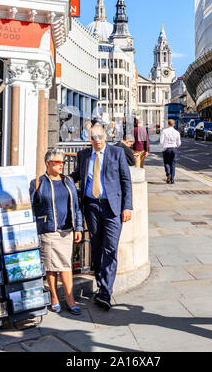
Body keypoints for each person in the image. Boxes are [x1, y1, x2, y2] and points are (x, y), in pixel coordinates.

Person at [70, 124, 133, 310]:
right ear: (89, 139)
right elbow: (76, 175)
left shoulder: (117, 153)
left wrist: (127, 207)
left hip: (112, 208)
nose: (97, 140)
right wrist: (56, 178)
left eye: (100, 136)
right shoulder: (83, 155)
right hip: (91, 206)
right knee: (96, 248)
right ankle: (101, 285)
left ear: (106, 136)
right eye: (93, 137)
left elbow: (126, 181)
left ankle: (106, 292)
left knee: (110, 249)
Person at [29, 148, 83, 315]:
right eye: (58, 162)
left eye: (63, 162)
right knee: (51, 267)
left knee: (66, 266)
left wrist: (78, 227)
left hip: (66, 231)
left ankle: (69, 298)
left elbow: (76, 206)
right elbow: (30, 208)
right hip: (48, 230)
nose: (61, 165)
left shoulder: (68, 181)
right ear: (48, 163)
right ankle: (54, 297)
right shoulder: (37, 183)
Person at [160, 119, 181, 184]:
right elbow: (179, 143)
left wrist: (164, 145)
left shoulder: (164, 131)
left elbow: (161, 142)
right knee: (173, 164)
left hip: (166, 149)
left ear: (168, 124)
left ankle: (168, 174)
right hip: (174, 149)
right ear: (174, 124)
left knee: (166, 163)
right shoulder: (177, 132)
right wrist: (176, 146)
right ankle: (172, 179)